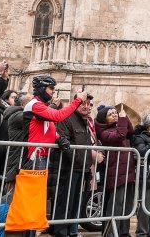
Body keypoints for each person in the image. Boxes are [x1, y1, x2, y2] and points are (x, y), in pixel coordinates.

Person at [50, 96, 97, 237]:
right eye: (84, 103)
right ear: (76, 104)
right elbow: (65, 143)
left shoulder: (85, 121)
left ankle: (72, 231)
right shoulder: (67, 118)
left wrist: (87, 164)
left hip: (81, 168)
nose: (87, 107)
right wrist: (79, 160)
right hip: (68, 167)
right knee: (65, 202)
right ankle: (61, 232)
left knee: (76, 203)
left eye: (89, 104)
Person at [24, 75, 86, 169]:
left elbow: (49, 126)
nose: (53, 91)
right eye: (51, 88)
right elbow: (58, 116)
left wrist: (58, 138)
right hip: (35, 154)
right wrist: (78, 100)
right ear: (42, 88)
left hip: (42, 154)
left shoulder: (42, 105)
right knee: (34, 183)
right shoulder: (35, 105)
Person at [97, 105, 136, 237]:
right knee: (116, 203)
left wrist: (125, 118)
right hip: (116, 171)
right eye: (110, 114)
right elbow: (119, 136)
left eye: (115, 113)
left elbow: (130, 131)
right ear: (104, 119)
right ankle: (110, 233)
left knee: (127, 204)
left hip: (127, 170)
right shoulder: (105, 132)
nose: (114, 115)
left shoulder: (119, 125)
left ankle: (124, 232)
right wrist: (122, 120)